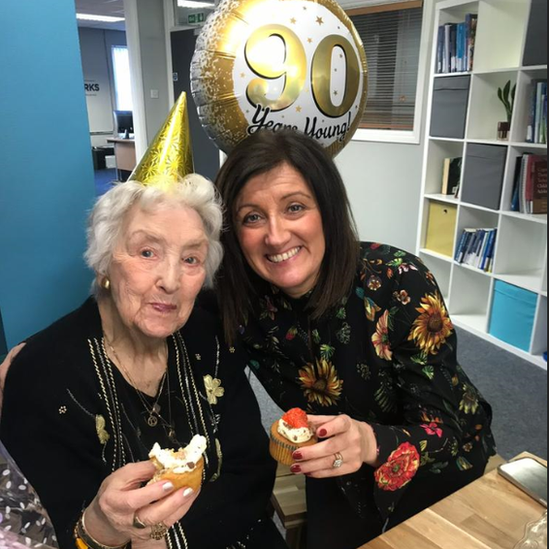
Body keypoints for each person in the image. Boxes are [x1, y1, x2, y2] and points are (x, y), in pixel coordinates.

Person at [214, 129, 497, 548]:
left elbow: (447, 433)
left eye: (294, 207)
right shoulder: (240, 301)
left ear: (326, 209)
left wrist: (369, 440)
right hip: (338, 470)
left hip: (437, 463)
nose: (275, 236)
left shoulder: (398, 282)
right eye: (252, 217)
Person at [0, 175, 287, 549]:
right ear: (104, 261)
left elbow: (250, 469)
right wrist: (101, 527)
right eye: (147, 252)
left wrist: (171, 541)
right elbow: (44, 533)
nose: (170, 281)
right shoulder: (42, 374)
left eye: (190, 259)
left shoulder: (211, 335)